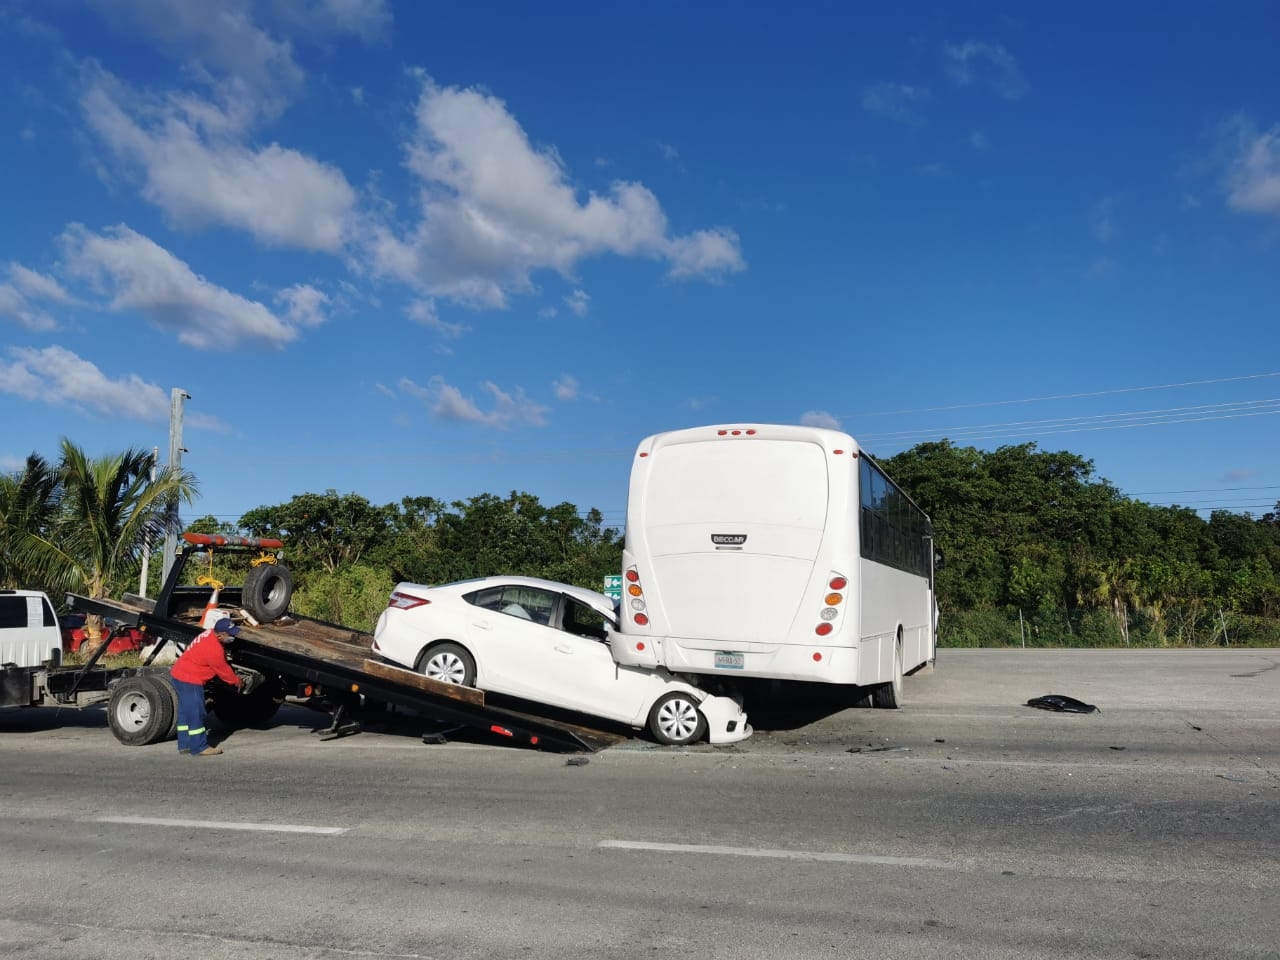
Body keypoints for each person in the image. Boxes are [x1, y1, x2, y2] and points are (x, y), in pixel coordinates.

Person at [171, 617, 242, 757]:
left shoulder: (209, 634)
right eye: (230, 634)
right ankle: (199, 747)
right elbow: (223, 670)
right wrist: (236, 681)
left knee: (186, 711)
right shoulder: (213, 648)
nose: (233, 637)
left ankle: (184, 745)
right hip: (190, 679)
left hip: (180, 674)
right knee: (197, 712)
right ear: (220, 634)